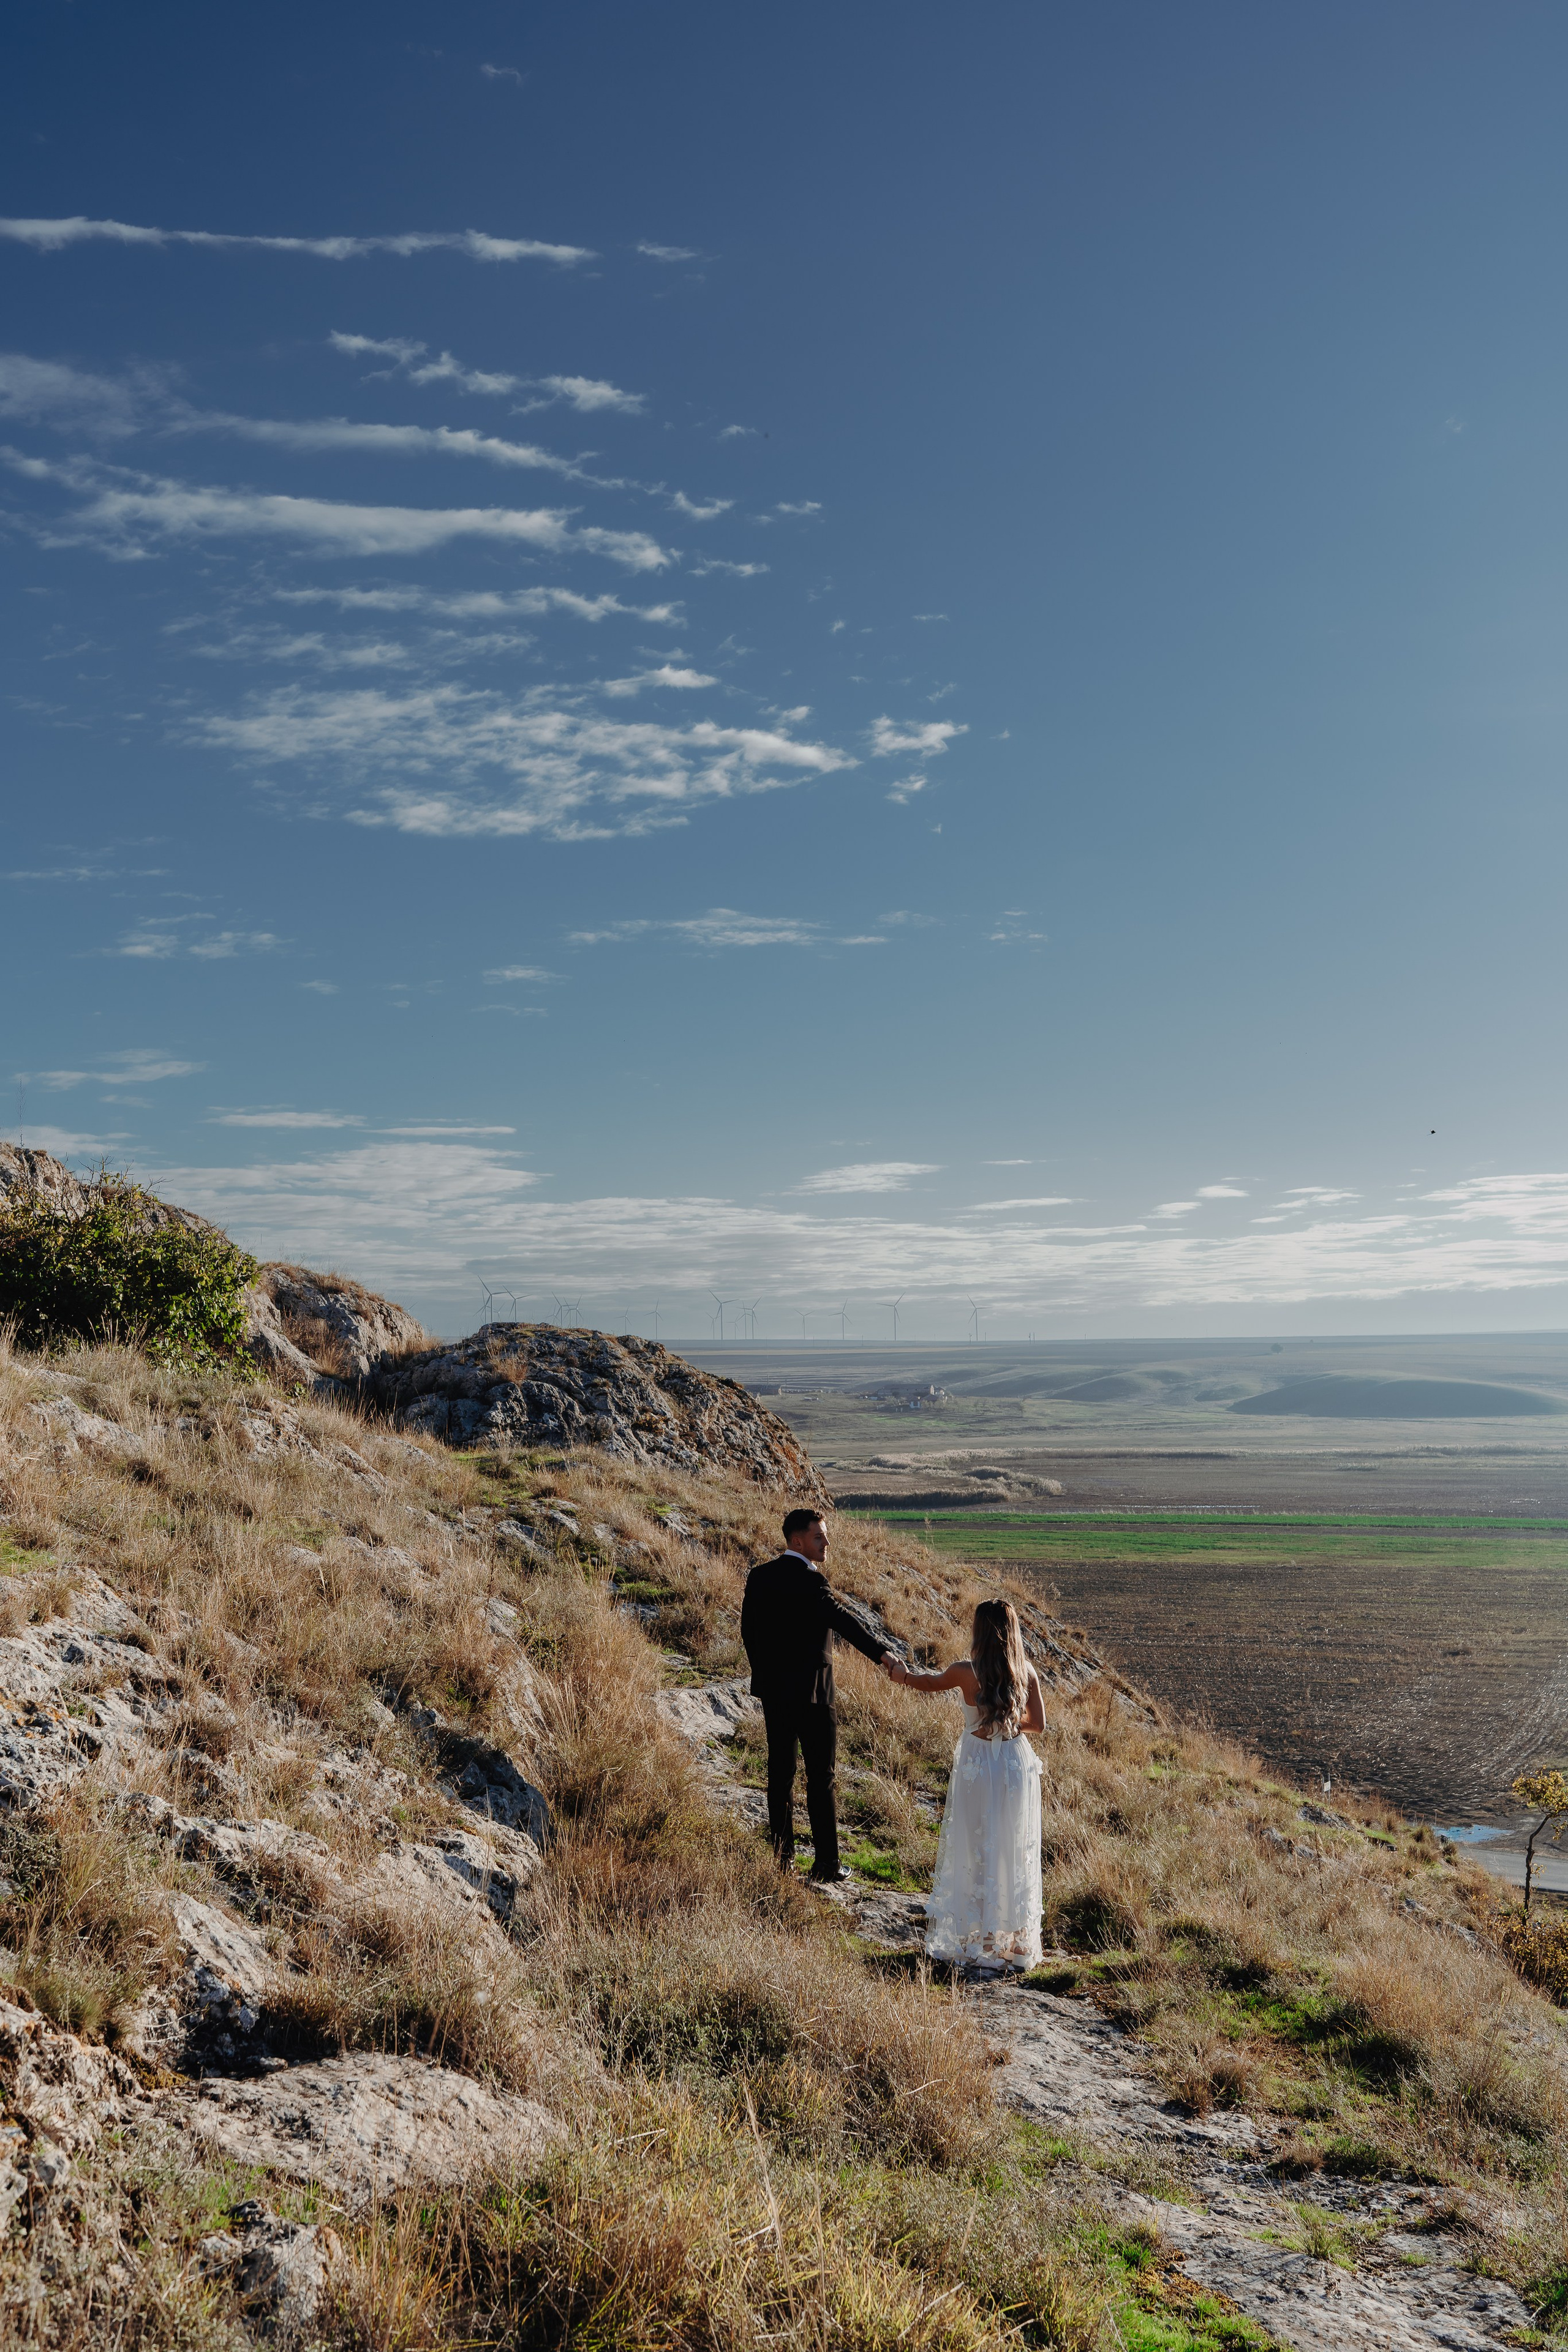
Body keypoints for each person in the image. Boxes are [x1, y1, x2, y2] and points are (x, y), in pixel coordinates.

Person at [886, 1598, 1044, 1973]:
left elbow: (928, 1683)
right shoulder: (1027, 1672)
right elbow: (1038, 1723)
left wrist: (900, 1674)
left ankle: (983, 1938)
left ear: (979, 1631)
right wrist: (1008, 1725)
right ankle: (1016, 1939)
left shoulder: (964, 1671)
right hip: (1013, 1762)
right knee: (1012, 1844)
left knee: (975, 1843)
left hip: (977, 1763)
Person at [741, 1506, 892, 1883]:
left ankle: (783, 1861)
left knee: (781, 1777)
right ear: (797, 1540)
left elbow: (749, 1632)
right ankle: (826, 1863)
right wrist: (883, 1655)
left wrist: (765, 1674)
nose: (827, 1542)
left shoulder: (759, 1577)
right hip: (814, 1695)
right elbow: (843, 1621)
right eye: (818, 1536)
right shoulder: (812, 1582)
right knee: (821, 1778)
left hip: (776, 1695)